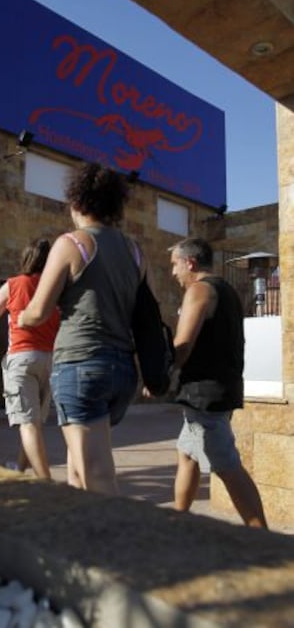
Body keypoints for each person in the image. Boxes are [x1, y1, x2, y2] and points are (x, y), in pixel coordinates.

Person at [17, 163, 145, 494]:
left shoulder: (72, 243)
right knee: (78, 467)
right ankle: (83, 524)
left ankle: (114, 529)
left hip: (81, 365)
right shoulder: (134, 251)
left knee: (96, 472)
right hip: (122, 369)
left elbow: (38, 311)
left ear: (77, 202)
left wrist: (21, 317)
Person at [169, 237, 267, 528]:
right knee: (187, 455)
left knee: (227, 467)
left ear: (190, 263)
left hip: (204, 396)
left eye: (175, 264)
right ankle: (177, 522)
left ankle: (262, 537)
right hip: (218, 389)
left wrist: (159, 373)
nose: (173, 272)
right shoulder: (226, 290)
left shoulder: (199, 290)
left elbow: (183, 345)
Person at [0, 238, 60, 480]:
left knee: (28, 424)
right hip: (50, 360)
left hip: (21, 358)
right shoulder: (57, 289)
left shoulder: (14, 284)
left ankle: (45, 481)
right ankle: (20, 468)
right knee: (34, 423)